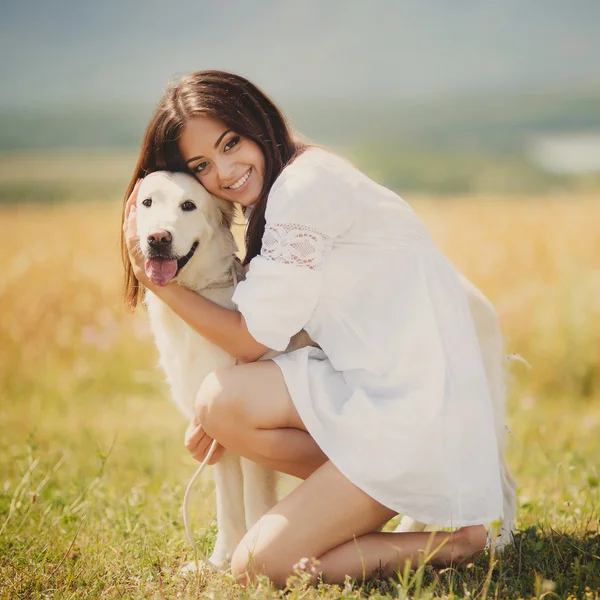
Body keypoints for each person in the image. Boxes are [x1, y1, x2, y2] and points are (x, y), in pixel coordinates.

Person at [122, 70, 503, 587]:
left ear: (257, 122)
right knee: (220, 400)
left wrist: (159, 284)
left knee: (260, 565)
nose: (226, 171)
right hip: (372, 395)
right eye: (203, 165)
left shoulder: (303, 190)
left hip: (410, 415)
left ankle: (454, 542)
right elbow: (271, 337)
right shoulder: (288, 186)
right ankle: (350, 498)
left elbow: (250, 338)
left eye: (231, 143)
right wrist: (211, 417)